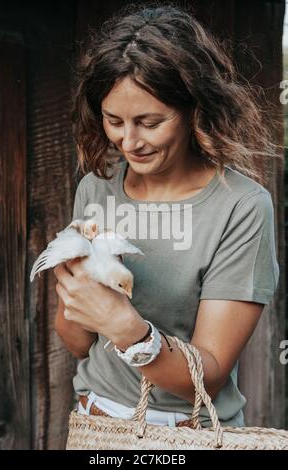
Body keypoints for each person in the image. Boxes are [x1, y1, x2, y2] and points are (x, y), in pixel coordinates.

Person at [53, 4, 281, 429]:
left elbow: (206, 378)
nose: (129, 141)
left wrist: (127, 328)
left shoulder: (240, 206)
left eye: (150, 122)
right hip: (96, 424)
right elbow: (80, 343)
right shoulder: (95, 189)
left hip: (185, 432)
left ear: (195, 109)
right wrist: (74, 294)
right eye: (113, 120)